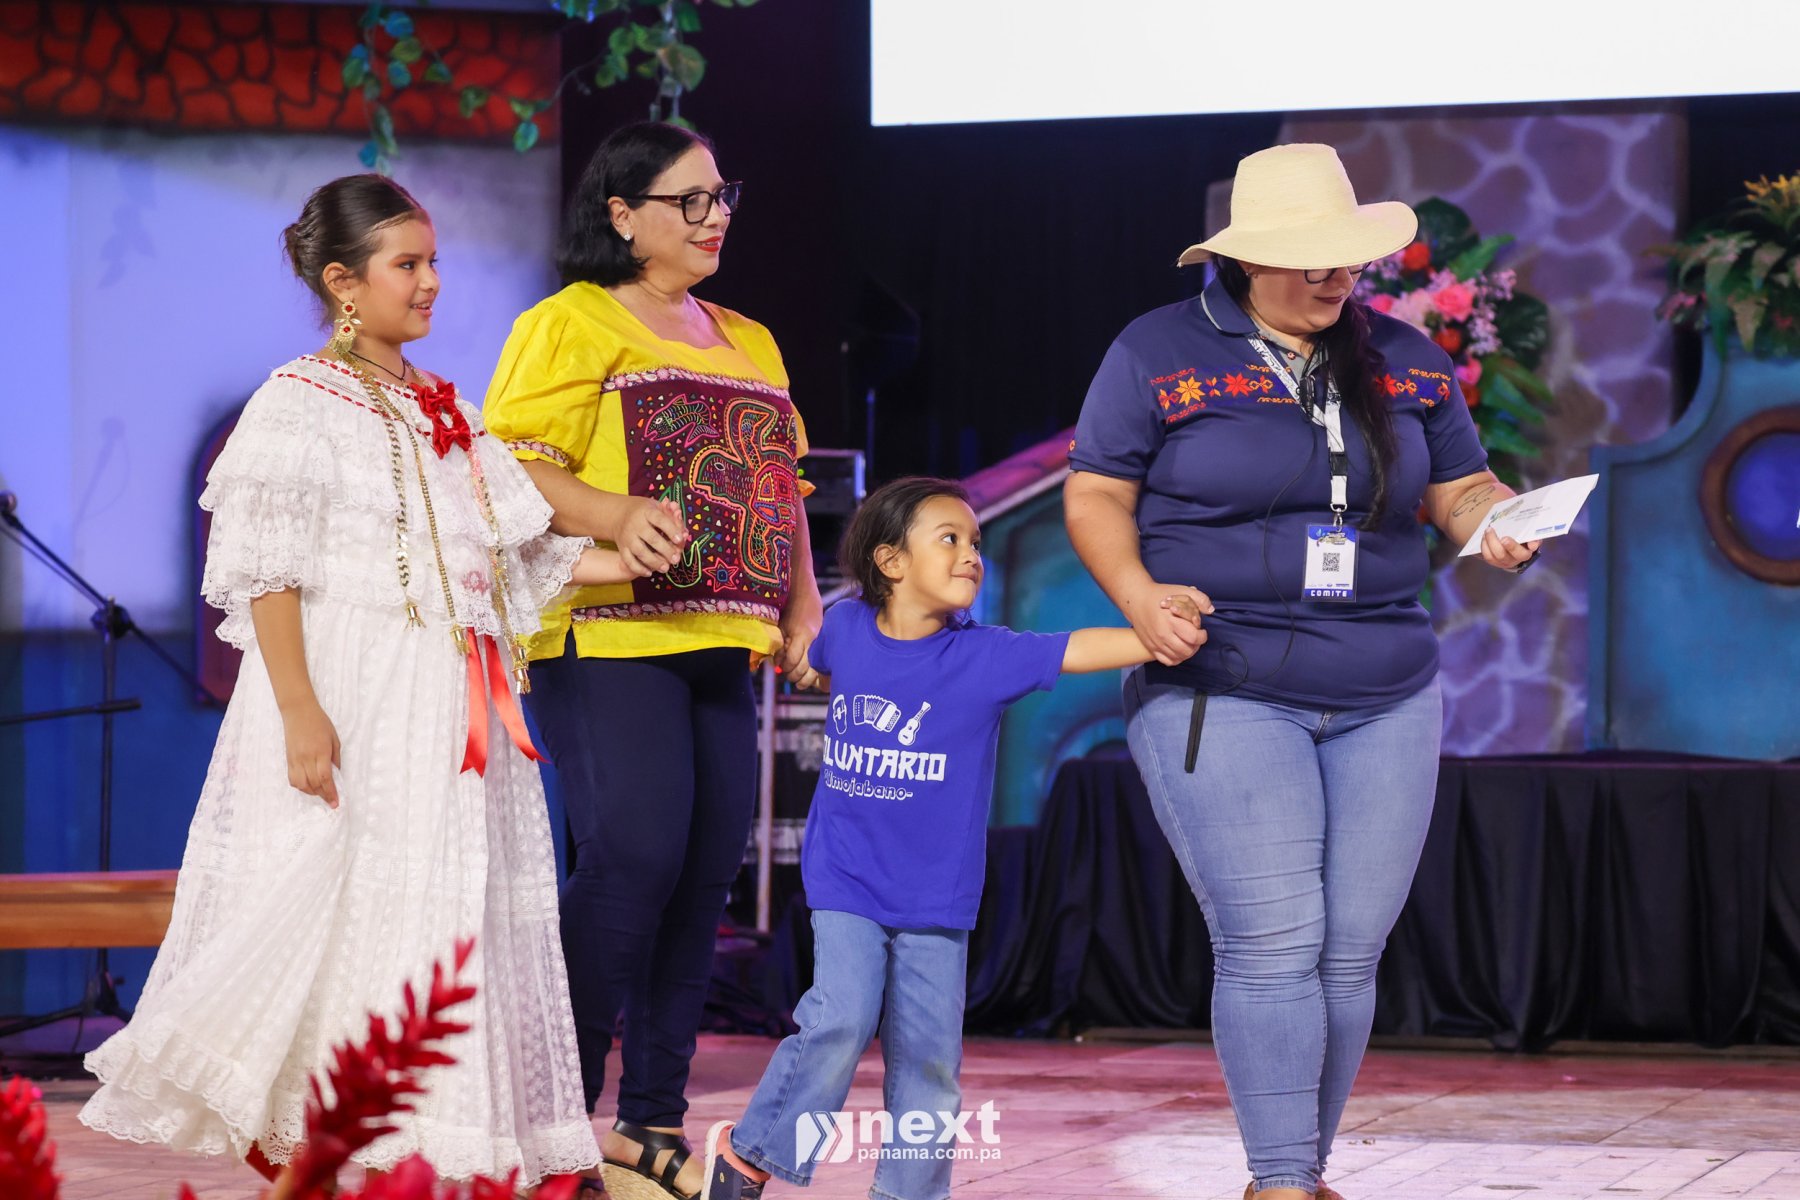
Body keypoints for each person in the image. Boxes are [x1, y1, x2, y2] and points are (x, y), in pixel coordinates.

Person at [79, 174, 631, 1185]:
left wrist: (632, 555)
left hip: (450, 705)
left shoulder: (447, 408)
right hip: (355, 689)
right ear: (344, 282)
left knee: (438, 915)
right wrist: (300, 709)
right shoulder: (298, 402)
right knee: (339, 910)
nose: (430, 283)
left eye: (433, 262)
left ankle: (413, 1141)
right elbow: (269, 571)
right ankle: (331, 1140)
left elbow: (512, 559)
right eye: (406, 264)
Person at [1062, 143, 1542, 1200]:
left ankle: (1298, 1174)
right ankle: (1281, 1181)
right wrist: (1138, 597)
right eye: (1311, 258)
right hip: (1223, 681)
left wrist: (1497, 519)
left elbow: (1457, 485)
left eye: (1347, 257)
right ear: (1247, 258)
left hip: (1386, 689)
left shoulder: (1406, 357)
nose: (1336, 276)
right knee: (1274, 941)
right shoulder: (1158, 350)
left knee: (1348, 954)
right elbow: (1096, 491)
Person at [483, 121, 823, 1200]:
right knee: (631, 856)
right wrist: (616, 512)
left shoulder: (752, 339)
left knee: (702, 874)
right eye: (691, 201)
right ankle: (555, 1120)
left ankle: (651, 1121)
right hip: (607, 635)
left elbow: (782, 489)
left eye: (723, 197)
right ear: (623, 215)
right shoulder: (568, 322)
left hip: (724, 639)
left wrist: (803, 601)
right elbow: (516, 472)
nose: (715, 217)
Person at [699, 476, 1202, 1200]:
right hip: (846, 879)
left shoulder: (986, 656)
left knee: (929, 1062)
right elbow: (807, 652)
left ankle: (909, 1192)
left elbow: (1078, 646)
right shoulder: (845, 628)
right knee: (840, 1018)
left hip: (938, 896)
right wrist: (794, 655)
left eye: (975, 542)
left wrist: (1159, 630)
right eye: (950, 539)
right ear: (890, 561)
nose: (972, 555)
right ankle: (749, 1153)